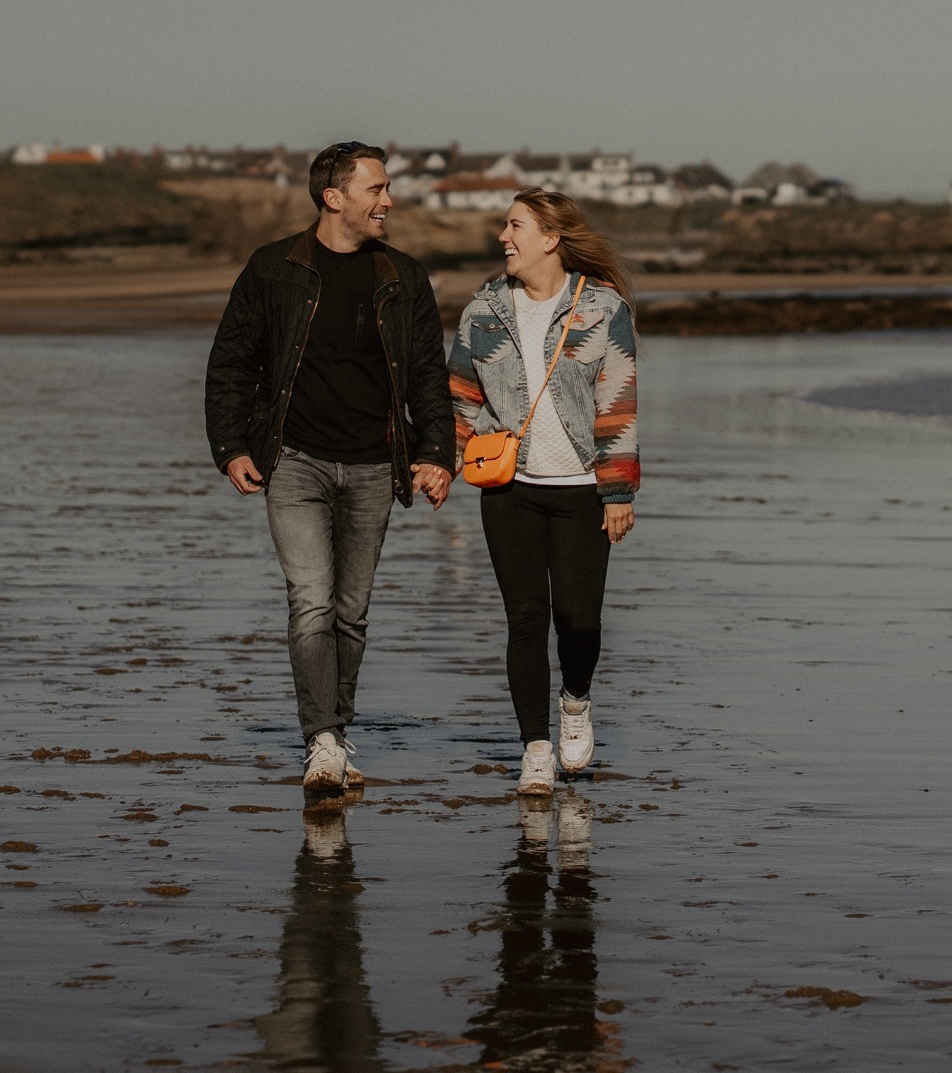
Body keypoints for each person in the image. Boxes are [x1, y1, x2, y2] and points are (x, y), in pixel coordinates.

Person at [205, 142, 454, 794]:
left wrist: (434, 453)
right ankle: (322, 741)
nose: (389, 200)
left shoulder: (403, 275)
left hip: (377, 463)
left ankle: (335, 733)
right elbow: (233, 361)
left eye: (388, 187)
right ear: (333, 196)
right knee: (311, 601)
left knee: (351, 610)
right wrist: (231, 444)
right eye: (376, 188)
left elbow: (428, 371)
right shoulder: (273, 270)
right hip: (295, 460)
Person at [448, 189, 639, 796]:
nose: (504, 237)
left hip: (583, 488)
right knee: (525, 619)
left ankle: (576, 702)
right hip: (510, 488)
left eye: (514, 226)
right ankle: (535, 748)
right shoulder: (483, 312)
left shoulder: (603, 309)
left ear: (551, 239)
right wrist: (442, 465)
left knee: (579, 621)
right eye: (505, 227)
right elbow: (459, 398)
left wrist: (618, 492)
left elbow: (618, 403)